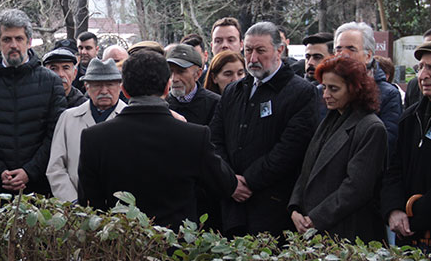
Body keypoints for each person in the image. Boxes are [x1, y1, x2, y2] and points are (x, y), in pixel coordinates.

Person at [77, 51, 237, 230]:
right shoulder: (194, 137)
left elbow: (90, 205)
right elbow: (226, 185)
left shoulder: (94, 138)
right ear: (167, 88)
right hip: (177, 247)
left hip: (120, 245)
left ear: (124, 91)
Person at [210, 22, 317, 237]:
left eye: (260, 51)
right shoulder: (234, 90)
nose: (253, 58)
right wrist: (229, 180)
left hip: (273, 208)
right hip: (232, 206)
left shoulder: (301, 93)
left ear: (279, 50)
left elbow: (288, 150)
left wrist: (247, 181)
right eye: (248, 50)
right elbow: (214, 139)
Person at [0, 9, 66, 198]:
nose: (13, 45)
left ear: (29, 42)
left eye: (19, 39)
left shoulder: (51, 82)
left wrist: (30, 171)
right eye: (7, 39)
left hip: (40, 189)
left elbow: (56, 133)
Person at [288, 56, 387, 242]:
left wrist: (315, 218)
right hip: (316, 227)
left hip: (348, 232)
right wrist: (294, 207)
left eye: (334, 89)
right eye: (324, 87)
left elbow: (356, 188)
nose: (325, 94)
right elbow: (307, 168)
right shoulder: (330, 119)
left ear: (354, 89)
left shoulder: (371, 127)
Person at [382, 40, 431, 261]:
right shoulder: (412, 117)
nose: (422, 75)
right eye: (420, 68)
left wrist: (415, 215)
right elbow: (394, 168)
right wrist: (394, 210)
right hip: (409, 240)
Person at [46, 58, 127, 202]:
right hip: (75, 208)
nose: (104, 91)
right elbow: (56, 167)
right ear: (86, 87)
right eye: (96, 85)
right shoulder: (68, 118)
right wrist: (73, 201)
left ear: (120, 86)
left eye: (110, 85)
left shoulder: (130, 117)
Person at [334, 22, 402, 155]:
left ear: (368, 56)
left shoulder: (388, 94)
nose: (343, 54)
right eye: (338, 49)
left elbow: (387, 142)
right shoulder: (322, 91)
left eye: (351, 49)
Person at [166, 44, 220, 126]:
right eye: (170, 72)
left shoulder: (215, 104)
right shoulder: (162, 105)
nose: (174, 79)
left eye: (181, 71)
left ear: (197, 74)